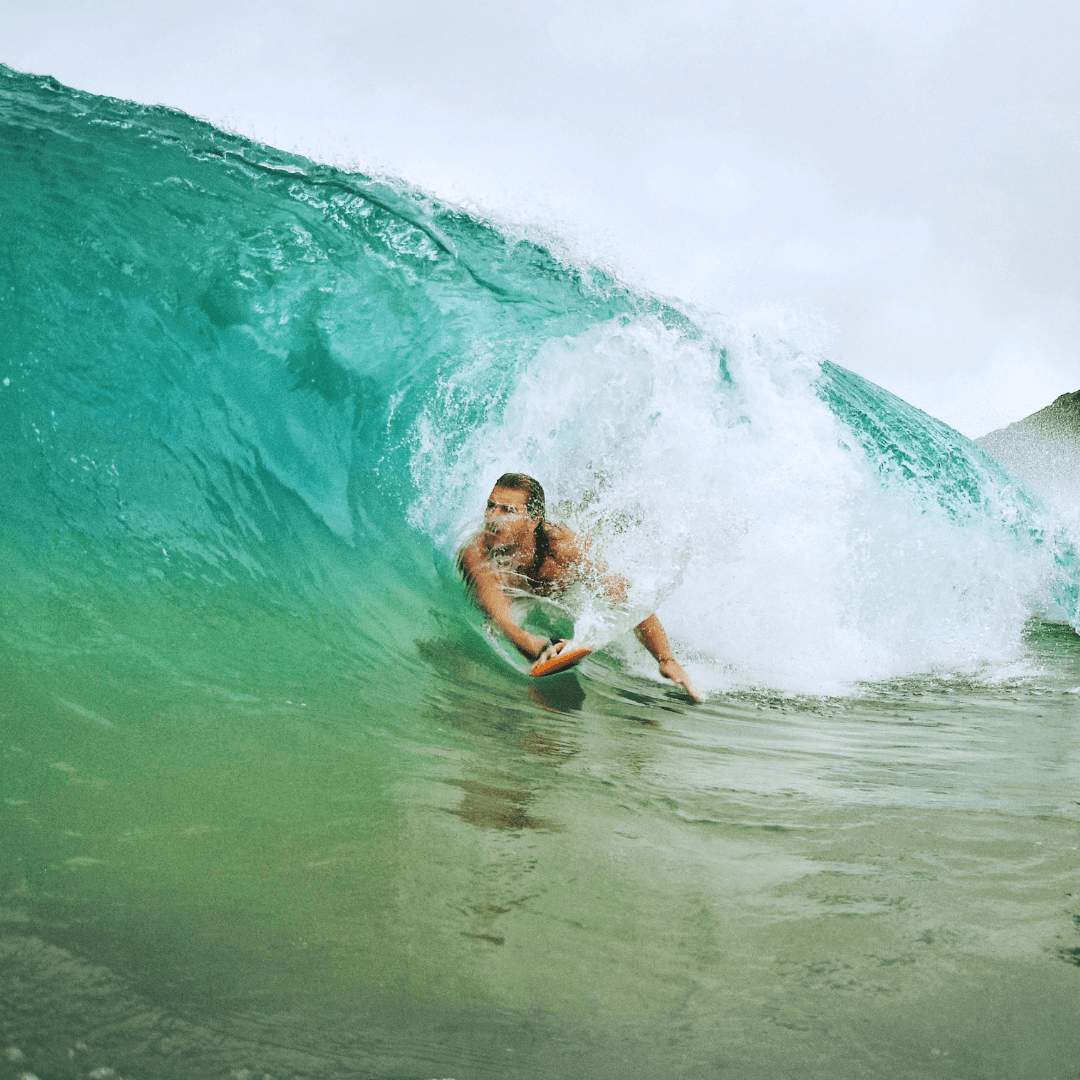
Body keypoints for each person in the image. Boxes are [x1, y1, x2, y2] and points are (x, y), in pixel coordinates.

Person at [458, 472, 702, 702]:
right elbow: (503, 621)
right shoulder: (478, 553)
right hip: (517, 596)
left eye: (508, 510)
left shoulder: (562, 546)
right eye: (491, 506)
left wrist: (666, 659)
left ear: (533, 521)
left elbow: (627, 600)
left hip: (564, 591)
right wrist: (542, 647)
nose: (492, 517)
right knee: (494, 627)